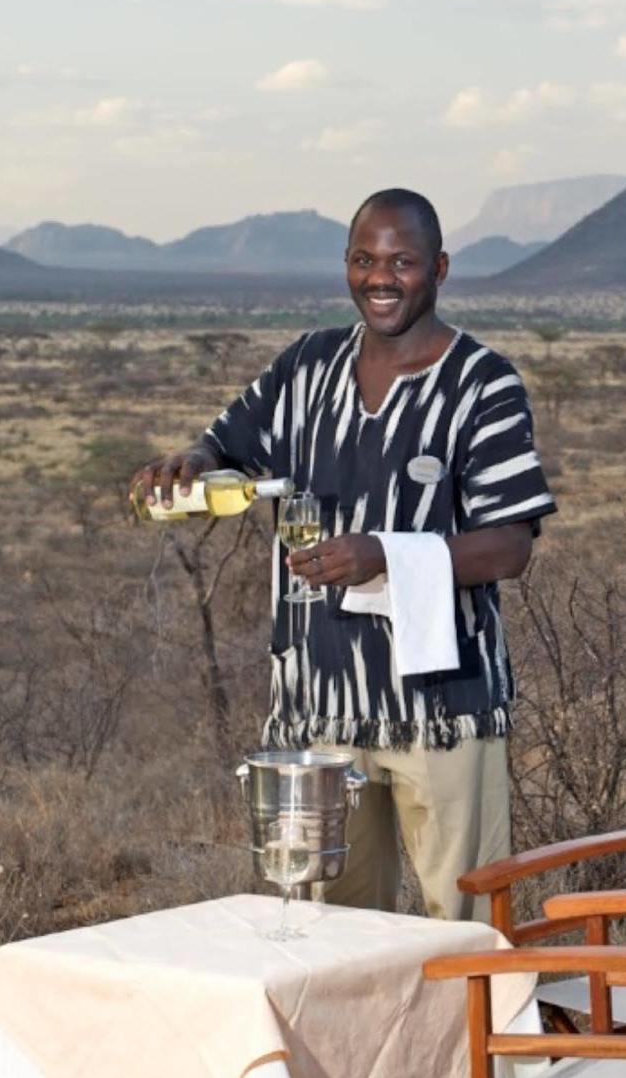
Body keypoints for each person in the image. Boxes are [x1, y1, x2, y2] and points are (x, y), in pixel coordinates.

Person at [131, 187, 555, 920]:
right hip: (318, 703)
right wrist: (192, 461)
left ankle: (484, 1041)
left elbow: (510, 546)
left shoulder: (483, 385)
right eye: (364, 259)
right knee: (329, 930)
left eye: (402, 261)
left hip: (441, 705)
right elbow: (225, 445)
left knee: (468, 931)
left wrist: (384, 554)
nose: (380, 277)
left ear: (440, 268)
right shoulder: (307, 365)